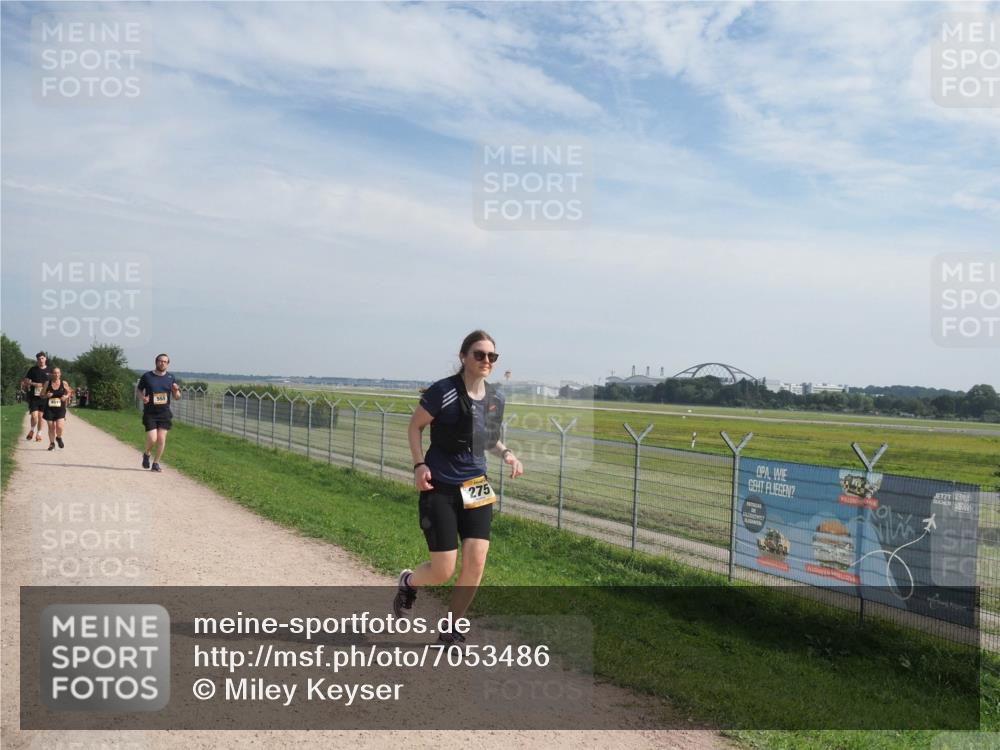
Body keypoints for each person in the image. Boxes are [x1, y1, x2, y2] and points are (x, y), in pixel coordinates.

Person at [394, 330, 524, 646]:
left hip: (476, 485)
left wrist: (507, 454)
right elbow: (415, 427)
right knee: (443, 570)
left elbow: (488, 440)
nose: (486, 361)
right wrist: (419, 464)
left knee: (477, 559)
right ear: (463, 356)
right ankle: (409, 582)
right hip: (440, 485)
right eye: (479, 354)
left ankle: (451, 627)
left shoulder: (496, 399)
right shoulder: (443, 392)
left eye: (492, 356)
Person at [136, 353, 182, 472]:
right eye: (160, 361)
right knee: (153, 438)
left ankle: (156, 463)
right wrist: (143, 398)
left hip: (164, 413)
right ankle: (147, 454)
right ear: (156, 362)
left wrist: (176, 391)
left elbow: (177, 397)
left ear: (168, 364)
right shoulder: (147, 376)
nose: (162, 363)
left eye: (165, 362)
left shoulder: (171, 378)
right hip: (150, 413)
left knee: (161, 439)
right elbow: (139, 390)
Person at [20, 352, 50, 443]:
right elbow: (25, 381)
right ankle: (32, 429)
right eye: (39, 359)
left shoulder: (50, 370)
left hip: (44, 397)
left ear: (45, 359)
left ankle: (39, 434)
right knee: (34, 416)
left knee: (41, 417)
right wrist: (34, 384)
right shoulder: (33, 370)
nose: (40, 360)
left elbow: (53, 382)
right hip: (34, 397)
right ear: (37, 360)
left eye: (42, 358)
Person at [43, 368, 74, 450]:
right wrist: (46, 395)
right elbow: (41, 394)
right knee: (51, 427)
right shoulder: (47, 383)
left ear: (60, 374)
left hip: (60, 408)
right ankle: (52, 443)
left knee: (59, 427)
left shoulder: (64, 383)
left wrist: (66, 396)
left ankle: (59, 437)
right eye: (54, 373)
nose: (56, 375)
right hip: (49, 409)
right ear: (51, 374)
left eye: (58, 373)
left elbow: (70, 391)